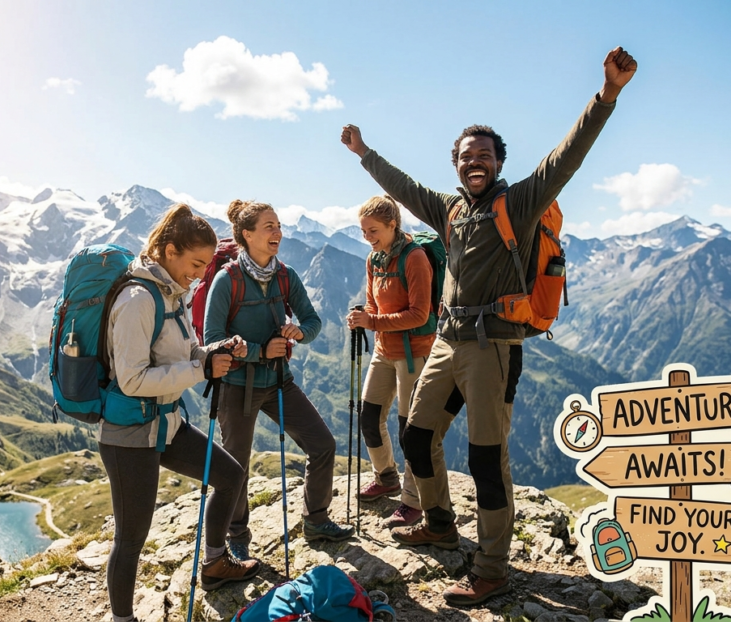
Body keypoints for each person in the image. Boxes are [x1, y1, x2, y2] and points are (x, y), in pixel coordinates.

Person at [340, 47, 638, 606]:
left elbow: (565, 158)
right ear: (455, 164)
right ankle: (440, 521)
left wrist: (607, 96)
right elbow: (402, 188)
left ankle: (493, 568)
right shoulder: (451, 212)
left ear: (498, 162)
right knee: (416, 434)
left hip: (493, 346)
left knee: (484, 457)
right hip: (449, 342)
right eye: (464, 156)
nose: (473, 162)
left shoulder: (519, 204)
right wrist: (364, 153)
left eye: (483, 155)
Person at [100, 204, 259, 622]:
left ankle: (214, 563)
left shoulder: (173, 293)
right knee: (132, 536)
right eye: (195, 263)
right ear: (169, 250)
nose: (201, 274)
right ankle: (122, 618)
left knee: (230, 477)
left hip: (167, 423)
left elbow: (187, 353)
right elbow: (131, 380)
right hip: (130, 433)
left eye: (206, 265)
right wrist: (198, 369)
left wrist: (213, 353)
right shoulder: (137, 299)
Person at [204, 199, 353, 563]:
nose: (278, 232)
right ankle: (237, 537)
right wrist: (259, 351)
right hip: (238, 387)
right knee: (235, 467)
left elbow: (313, 322)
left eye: (279, 225)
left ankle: (316, 520)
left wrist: (298, 333)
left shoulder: (285, 276)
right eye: (269, 226)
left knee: (323, 445)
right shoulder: (227, 281)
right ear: (246, 235)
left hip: (279, 383)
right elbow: (210, 341)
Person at [346, 195, 434, 529]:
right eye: (364, 231)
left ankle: (413, 502)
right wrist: (363, 317)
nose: (368, 237)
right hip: (385, 351)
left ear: (392, 224)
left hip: (414, 353)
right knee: (369, 416)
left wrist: (374, 323)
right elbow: (373, 305)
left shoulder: (415, 258)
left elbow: (419, 314)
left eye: (373, 230)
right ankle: (386, 477)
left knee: (408, 431)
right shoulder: (375, 259)